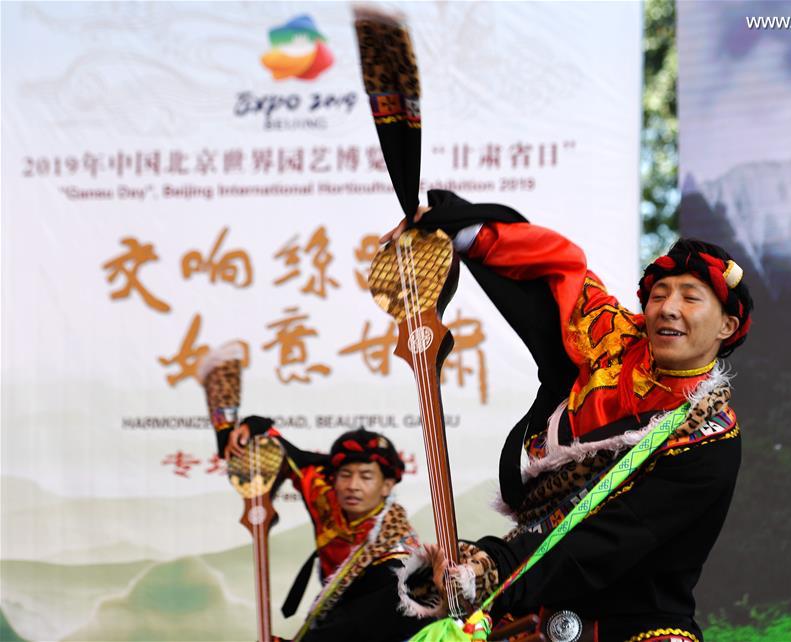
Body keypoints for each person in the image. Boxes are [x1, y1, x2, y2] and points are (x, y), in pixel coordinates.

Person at [386, 191, 754, 642]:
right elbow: (557, 272)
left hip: (639, 628)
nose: (668, 307)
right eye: (659, 294)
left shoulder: (709, 438)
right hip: (534, 610)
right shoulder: (611, 343)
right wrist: (449, 230)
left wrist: (491, 570)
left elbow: (600, 542)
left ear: (727, 327)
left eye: (691, 297)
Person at [198, 355, 429, 642]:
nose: (353, 486)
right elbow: (282, 454)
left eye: (366, 477)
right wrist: (250, 429)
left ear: (387, 485)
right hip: (333, 619)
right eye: (345, 474)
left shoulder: (398, 550)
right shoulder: (325, 493)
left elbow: (363, 622)